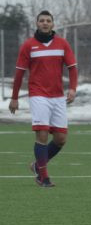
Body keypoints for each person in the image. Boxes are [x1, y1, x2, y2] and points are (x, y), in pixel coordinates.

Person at [8, 10, 78, 188]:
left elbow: (72, 67)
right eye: (42, 20)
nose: (45, 23)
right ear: (37, 23)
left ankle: (36, 166)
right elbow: (19, 74)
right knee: (42, 133)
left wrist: (72, 88)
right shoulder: (28, 45)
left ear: (53, 24)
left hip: (58, 96)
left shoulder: (62, 44)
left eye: (48, 20)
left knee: (61, 139)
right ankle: (43, 177)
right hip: (38, 95)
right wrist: (14, 98)